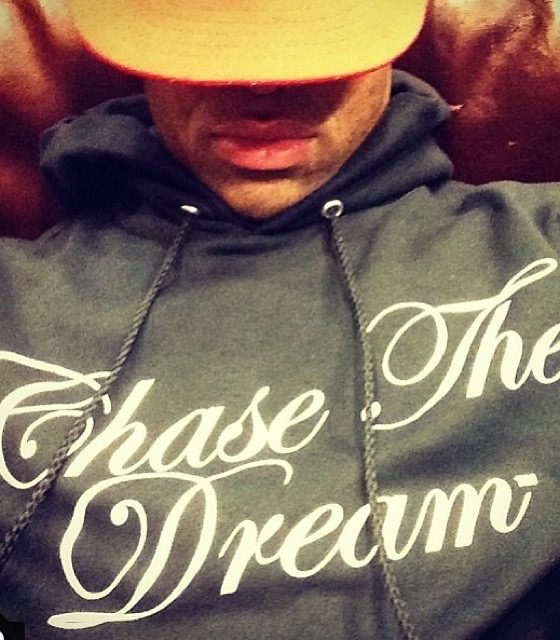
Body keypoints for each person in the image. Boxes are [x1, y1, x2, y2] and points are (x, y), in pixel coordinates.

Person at [0, 1, 560, 639]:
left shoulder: (542, 250)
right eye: (212, 47)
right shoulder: (15, 299)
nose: (262, 88)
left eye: (309, 45)